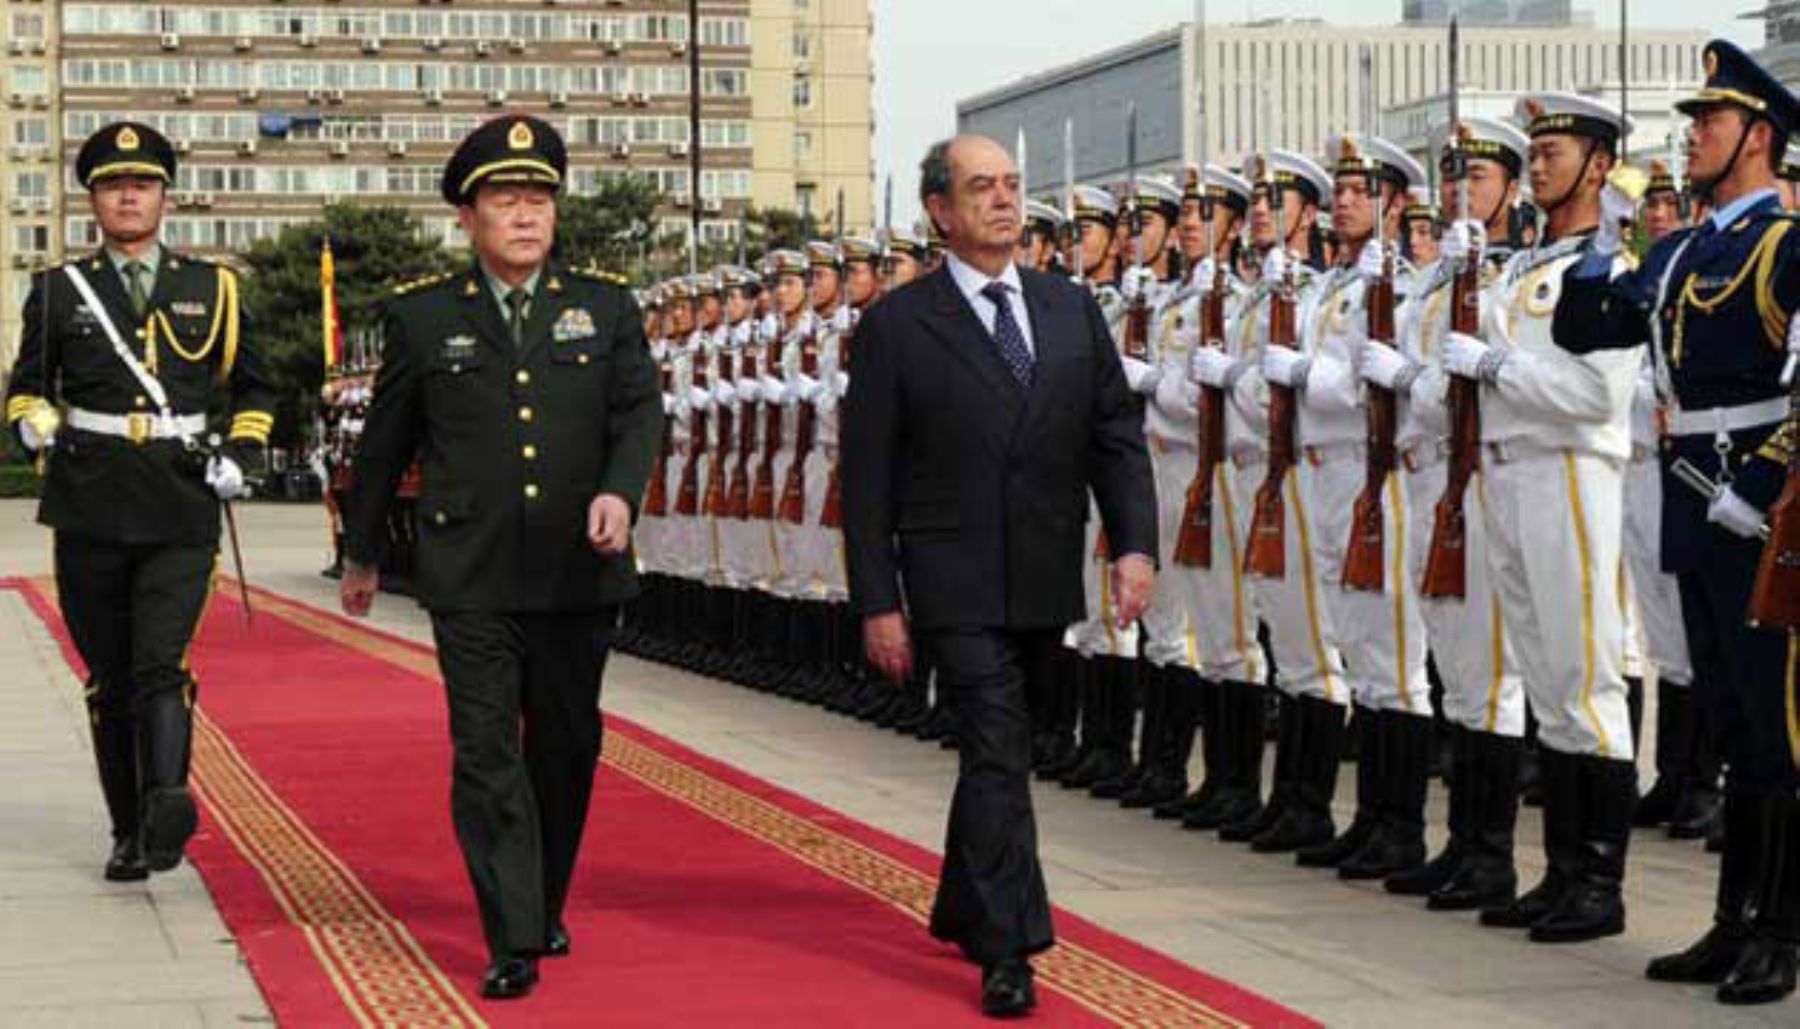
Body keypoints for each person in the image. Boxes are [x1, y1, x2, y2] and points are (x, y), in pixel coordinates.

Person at [338, 114, 662, 1000]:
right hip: (469, 571)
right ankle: (512, 929)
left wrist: (619, 491)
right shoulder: (422, 314)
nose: (525, 216)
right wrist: (361, 551)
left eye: (539, 200)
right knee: (485, 751)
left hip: (575, 565)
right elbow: (386, 442)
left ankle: (544, 894)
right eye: (505, 201)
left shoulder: (604, 305)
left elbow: (640, 415)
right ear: (469, 218)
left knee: (564, 746)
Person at [842, 135, 1156, 1018]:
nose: (1004, 202)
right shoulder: (900, 325)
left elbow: (1114, 435)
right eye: (981, 188)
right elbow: (865, 481)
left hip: (1046, 567)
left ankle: (962, 898)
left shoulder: (1067, 307)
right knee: (997, 746)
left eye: (1012, 186)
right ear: (940, 211)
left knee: (1005, 749)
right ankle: (1011, 945)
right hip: (952, 576)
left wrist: (1134, 545)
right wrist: (879, 600)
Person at [1556, 40, 1800, 1005]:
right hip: (1695, 504)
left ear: (1759, 136)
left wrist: (1772, 472)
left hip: (1759, 510)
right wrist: (1602, 240)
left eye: (1711, 120)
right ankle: (1732, 919)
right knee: (1731, 726)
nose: (1692, 134)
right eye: (1693, 119)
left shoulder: (1787, 243)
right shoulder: (1688, 246)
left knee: (1779, 733)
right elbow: (1587, 327)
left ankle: (1781, 933)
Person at [4, 120, 272, 882]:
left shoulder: (212, 287)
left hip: (180, 498)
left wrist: (243, 451)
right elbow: (27, 381)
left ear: (164, 196)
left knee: (161, 661)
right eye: (115, 184)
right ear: (94, 199)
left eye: (144, 183)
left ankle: (163, 804)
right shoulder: (59, 289)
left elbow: (255, 385)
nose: (130, 194)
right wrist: (29, 418)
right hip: (88, 497)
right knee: (110, 675)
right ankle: (127, 826)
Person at [1443, 91, 1642, 945]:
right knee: (1548, 685)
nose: (1542, 160)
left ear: (1600, 162)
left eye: (1556, 147)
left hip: (1569, 472)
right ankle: (1560, 871)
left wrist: (1496, 365)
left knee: (1587, 680)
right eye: (1537, 147)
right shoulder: (1527, 264)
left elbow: (1598, 396)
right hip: (1509, 473)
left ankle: (1599, 880)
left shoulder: (1608, 267)